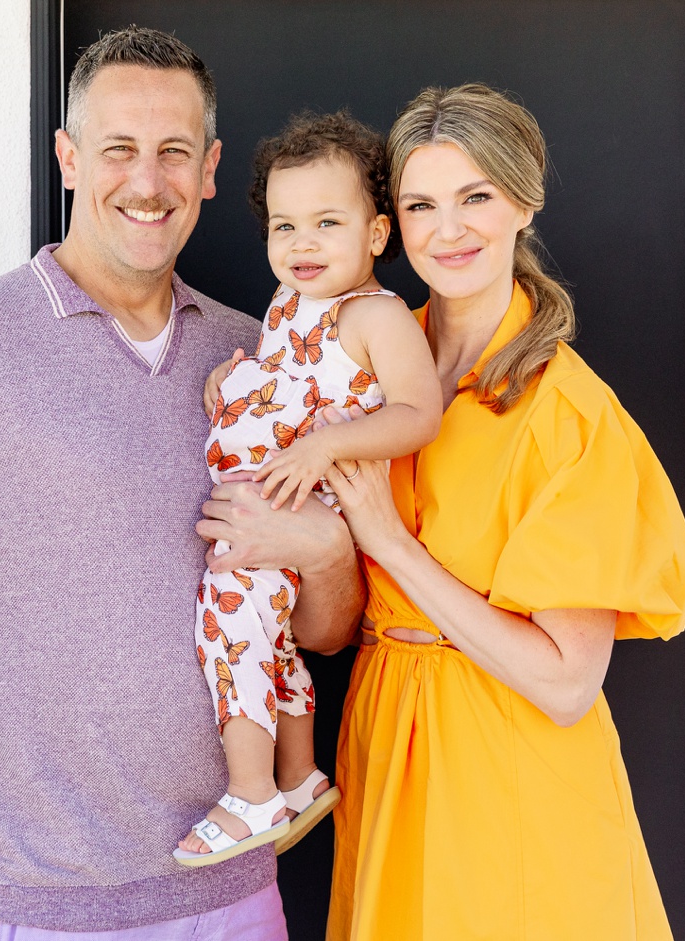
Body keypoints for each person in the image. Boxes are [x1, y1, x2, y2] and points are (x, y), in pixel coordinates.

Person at [0, 26, 362, 941]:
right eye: (118, 149)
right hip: (45, 916)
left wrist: (329, 551)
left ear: (212, 167)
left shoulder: (263, 357)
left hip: (238, 902)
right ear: (69, 158)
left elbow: (324, 629)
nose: (146, 182)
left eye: (173, 152)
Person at [322, 84, 685, 940]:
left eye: (475, 197)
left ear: (524, 201)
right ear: (391, 225)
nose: (447, 229)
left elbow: (567, 683)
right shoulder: (365, 368)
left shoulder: (567, 413)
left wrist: (391, 544)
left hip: (512, 773)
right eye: (421, 204)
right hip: (388, 749)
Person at [175, 113, 441, 867]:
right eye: (285, 226)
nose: (303, 243)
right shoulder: (289, 307)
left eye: (328, 222)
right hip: (271, 507)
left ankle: (249, 792)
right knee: (276, 644)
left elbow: (418, 413)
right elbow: (289, 388)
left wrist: (328, 444)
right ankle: (296, 776)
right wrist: (236, 388)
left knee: (230, 627)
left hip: (308, 511)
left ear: (378, 234)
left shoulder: (375, 315)